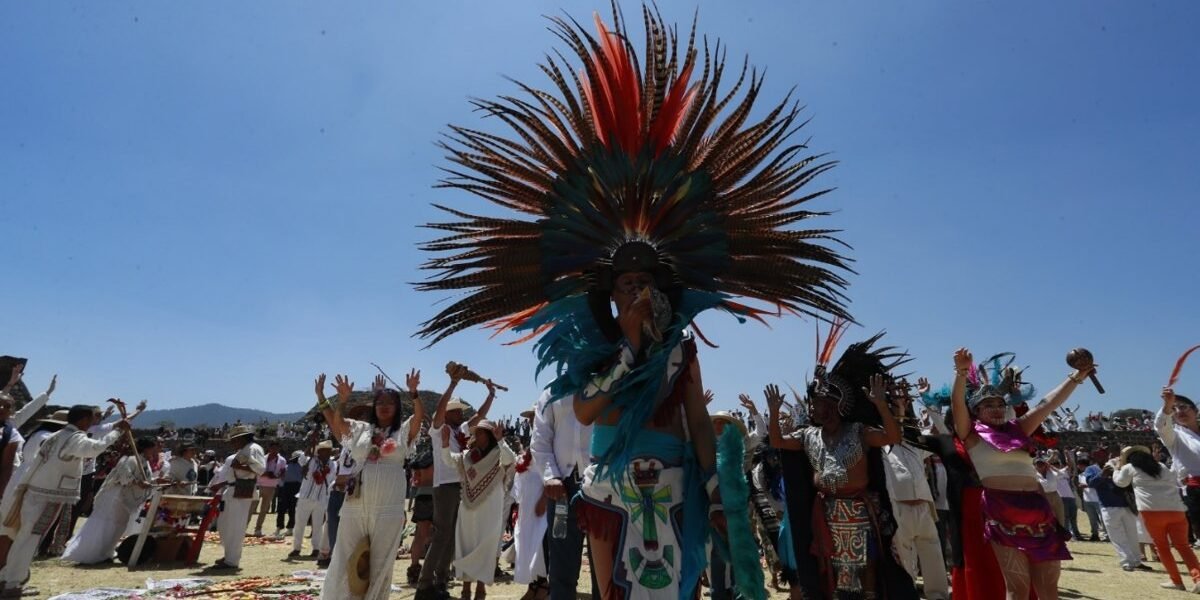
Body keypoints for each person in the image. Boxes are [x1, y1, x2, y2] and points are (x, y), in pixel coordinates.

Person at [767, 331, 917, 600]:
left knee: (867, 563)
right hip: (825, 511)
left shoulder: (859, 431)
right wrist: (775, 412)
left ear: (835, 405)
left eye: (817, 404)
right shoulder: (807, 435)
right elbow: (777, 441)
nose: (812, 410)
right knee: (831, 568)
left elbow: (893, 437)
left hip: (859, 509)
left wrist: (882, 406)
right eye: (812, 405)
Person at [950, 348, 1089, 600]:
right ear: (976, 411)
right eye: (987, 405)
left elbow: (1049, 404)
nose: (995, 408)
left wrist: (1077, 377)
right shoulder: (969, 435)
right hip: (1000, 509)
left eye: (999, 404)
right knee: (1018, 587)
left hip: (1039, 509)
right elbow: (957, 403)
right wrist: (961, 373)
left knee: (1048, 589)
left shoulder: (1020, 428)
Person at [315, 369, 424, 600]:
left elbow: (418, 419)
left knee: (381, 563)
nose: (384, 406)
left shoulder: (401, 432)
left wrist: (414, 394)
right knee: (345, 556)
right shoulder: (361, 429)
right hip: (356, 504)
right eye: (380, 402)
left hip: (388, 507)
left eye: (390, 403)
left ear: (397, 408)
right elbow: (338, 424)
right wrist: (340, 401)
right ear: (374, 407)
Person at [0, 405, 128, 598]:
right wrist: (117, 432)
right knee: (29, 539)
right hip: (48, 495)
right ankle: (12, 583)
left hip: (35, 492)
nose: (93, 423)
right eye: (92, 419)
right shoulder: (74, 438)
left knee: (24, 537)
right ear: (84, 420)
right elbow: (94, 449)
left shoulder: (55, 436)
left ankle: (8, 577)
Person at [415, 366, 496, 600]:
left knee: (451, 536)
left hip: (460, 486)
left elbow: (478, 416)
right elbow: (439, 411)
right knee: (441, 534)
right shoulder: (438, 429)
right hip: (445, 486)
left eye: (460, 411)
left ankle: (441, 581)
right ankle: (425, 584)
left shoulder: (459, 430)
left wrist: (490, 395)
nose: (460, 414)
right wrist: (453, 385)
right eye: (456, 411)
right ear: (447, 414)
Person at [882, 394, 948, 600]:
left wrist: (929, 403)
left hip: (924, 509)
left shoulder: (916, 446)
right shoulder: (880, 447)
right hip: (897, 510)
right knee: (904, 561)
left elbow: (945, 434)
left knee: (934, 557)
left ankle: (938, 596)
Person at [529, 390, 593, 600]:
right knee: (561, 569)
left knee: (607, 568)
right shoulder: (551, 391)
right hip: (563, 489)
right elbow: (540, 438)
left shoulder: (607, 380)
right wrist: (550, 477)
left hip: (602, 487)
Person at [442, 419, 516, 600]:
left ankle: (481, 587)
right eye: (477, 433)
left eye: (483, 432)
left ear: (490, 435)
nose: (478, 435)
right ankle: (466, 588)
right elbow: (449, 460)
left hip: (491, 503)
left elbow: (511, 459)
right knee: (467, 542)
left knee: (487, 543)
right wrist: (444, 444)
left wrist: (501, 440)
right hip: (468, 505)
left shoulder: (499, 453)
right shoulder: (467, 456)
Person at [1114, 445, 1200, 591]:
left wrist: (1117, 469)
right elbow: (1174, 479)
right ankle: (1198, 578)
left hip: (1151, 512)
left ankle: (1176, 581)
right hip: (1176, 510)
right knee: (1183, 547)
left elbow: (1121, 482)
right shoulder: (1160, 466)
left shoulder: (1130, 467)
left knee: (1162, 547)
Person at [62, 437, 155, 564]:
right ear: (146, 448)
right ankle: (90, 554)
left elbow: (147, 479)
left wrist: (153, 482)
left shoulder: (145, 462)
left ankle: (106, 553)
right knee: (106, 524)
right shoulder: (130, 459)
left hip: (127, 499)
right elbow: (123, 476)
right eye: (152, 448)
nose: (154, 451)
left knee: (118, 527)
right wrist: (138, 482)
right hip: (116, 497)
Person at [210, 425, 266, 570]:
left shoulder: (253, 448)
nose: (233, 443)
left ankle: (232, 560)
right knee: (225, 524)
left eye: (234, 440)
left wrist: (240, 467)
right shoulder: (245, 449)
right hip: (232, 489)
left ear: (242, 438)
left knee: (235, 526)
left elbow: (260, 469)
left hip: (241, 490)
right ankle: (229, 555)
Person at [512, 407, 548, 600]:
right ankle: (534, 582)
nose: (532, 421)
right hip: (527, 504)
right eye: (531, 419)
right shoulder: (532, 442)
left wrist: (544, 498)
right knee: (527, 542)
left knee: (540, 542)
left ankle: (544, 583)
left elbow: (551, 471)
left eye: (536, 418)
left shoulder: (548, 441)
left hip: (540, 500)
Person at [290, 440, 333, 559]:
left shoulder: (333, 464)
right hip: (305, 497)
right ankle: (296, 548)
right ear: (319, 452)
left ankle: (316, 548)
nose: (327, 453)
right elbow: (301, 459)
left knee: (318, 525)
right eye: (324, 450)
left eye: (329, 451)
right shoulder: (311, 461)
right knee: (299, 524)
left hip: (321, 499)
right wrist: (311, 444)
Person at [254, 441, 286, 537]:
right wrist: (267, 474)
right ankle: (244, 527)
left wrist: (277, 475)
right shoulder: (262, 459)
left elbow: (283, 473)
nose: (275, 450)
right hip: (259, 484)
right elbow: (256, 471)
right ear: (269, 449)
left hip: (271, 486)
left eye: (276, 448)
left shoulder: (282, 460)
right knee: (251, 508)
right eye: (273, 448)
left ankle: (258, 529)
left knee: (264, 510)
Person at [1076, 457, 1108, 542]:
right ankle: (1094, 534)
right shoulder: (1081, 475)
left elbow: (1096, 483)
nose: (1078, 467)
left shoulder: (1094, 472)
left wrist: (1085, 486)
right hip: (1087, 499)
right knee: (1092, 519)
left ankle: (1106, 535)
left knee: (1102, 518)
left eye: (1079, 465)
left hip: (1097, 498)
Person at [277, 450, 305, 536]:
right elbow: (281, 477)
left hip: (297, 487)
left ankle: (290, 528)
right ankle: (279, 527)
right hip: (286, 487)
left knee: (292, 509)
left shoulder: (303, 467)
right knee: (281, 508)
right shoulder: (287, 466)